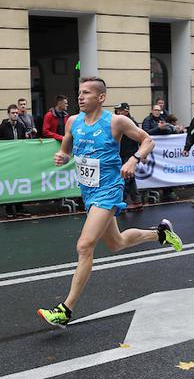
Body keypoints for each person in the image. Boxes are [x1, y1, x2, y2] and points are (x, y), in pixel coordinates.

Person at [36, 77, 183, 328]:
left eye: (86, 93)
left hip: (109, 189)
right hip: (88, 191)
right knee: (116, 243)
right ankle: (160, 234)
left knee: (85, 246)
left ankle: (65, 310)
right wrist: (62, 155)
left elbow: (148, 140)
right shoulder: (73, 121)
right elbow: (66, 149)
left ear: (101, 98)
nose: (80, 97)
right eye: (79, 93)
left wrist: (134, 159)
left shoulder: (116, 122)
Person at [0, 105, 31, 218]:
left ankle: (20, 207)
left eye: (16, 113)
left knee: (19, 182)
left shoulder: (21, 126)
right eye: (13, 113)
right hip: (7, 159)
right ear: (8, 114)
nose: (15, 115)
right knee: (9, 183)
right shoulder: (2, 126)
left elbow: (23, 141)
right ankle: (9, 208)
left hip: (18, 159)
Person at [113, 102, 142, 211]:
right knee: (129, 177)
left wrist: (140, 155)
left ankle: (123, 201)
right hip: (123, 153)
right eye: (117, 110)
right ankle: (136, 200)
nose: (118, 112)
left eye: (120, 110)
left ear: (126, 111)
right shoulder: (119, 122)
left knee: (125, 177)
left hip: (130, 154)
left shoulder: (131, 123)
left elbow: (140, 137)